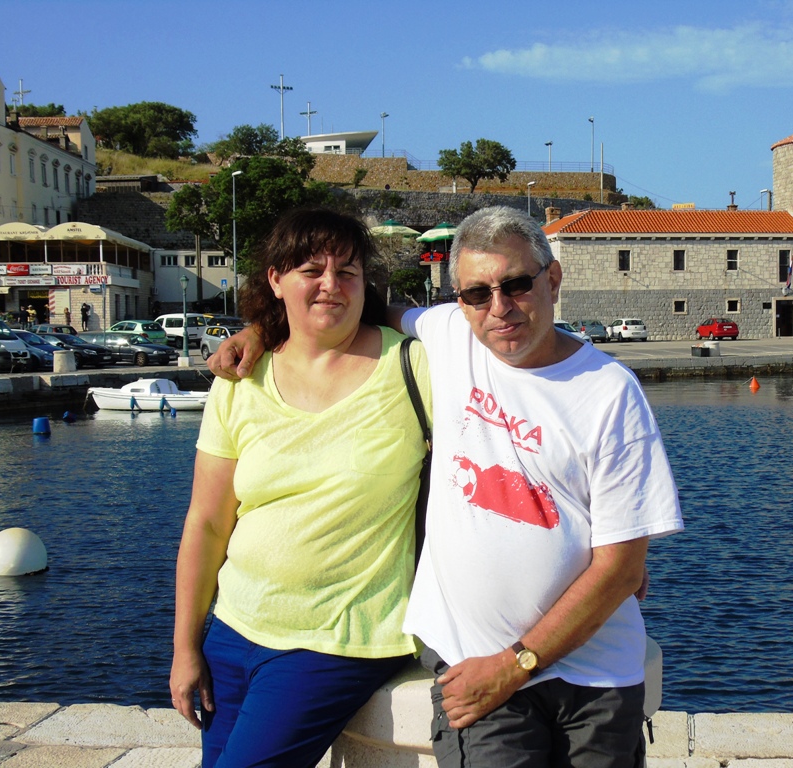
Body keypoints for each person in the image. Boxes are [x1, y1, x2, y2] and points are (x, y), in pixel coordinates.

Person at [211, 206, 682, 767]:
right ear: (458, 301)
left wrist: (516, 663)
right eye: (477, 293)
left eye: (516, 284)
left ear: (552, 280)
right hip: (473, 662)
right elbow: (351, 308)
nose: (499, 307)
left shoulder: (609, 391)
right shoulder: (451, 334)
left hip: (594, 675)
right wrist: (262, 329)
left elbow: (621, 570)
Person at [171, 207, 431, 768]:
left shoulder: (413, 367)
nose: (331, 285)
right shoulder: (240, 379)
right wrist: (185, 647)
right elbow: (207, 522)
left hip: (340, 637)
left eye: (347, 272)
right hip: (233, 630)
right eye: (311, 270)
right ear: (275, 279)